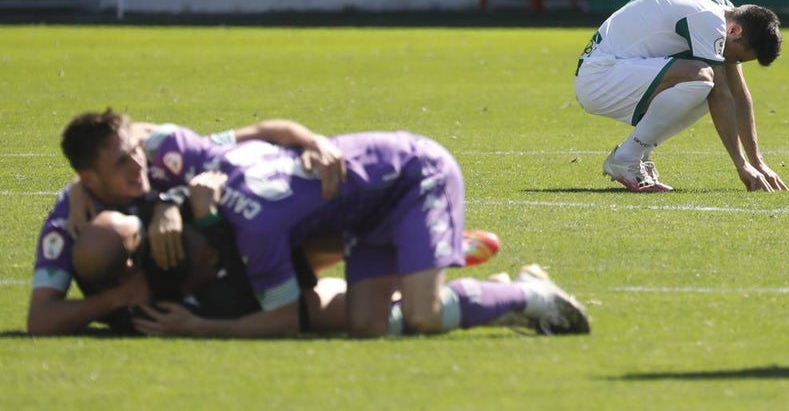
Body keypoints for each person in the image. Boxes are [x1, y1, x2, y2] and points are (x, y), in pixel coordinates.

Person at [122, 130, 591, 338]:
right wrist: (166, 203)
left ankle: (528, 295)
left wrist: (200, 327)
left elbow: (283, 323)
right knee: (367, 327)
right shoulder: (214, 173)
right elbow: (143, 137)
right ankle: (474, 287)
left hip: (413, 176)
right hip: (367, 211)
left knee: (421, 315)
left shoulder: (255, 232)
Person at [27, 110, 344, 335]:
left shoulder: (167, 155)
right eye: (122, 161)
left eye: (136, 151)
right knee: (309, 312)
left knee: (310, 238)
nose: (138, 164)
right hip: (195, 293)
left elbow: (264, 132)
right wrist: (117, 298)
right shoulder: (68, 221)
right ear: (89, 178)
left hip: (243, 248)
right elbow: (40, 319)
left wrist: (315, 142)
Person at [574, 0, 788, 193]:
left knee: (706, 85)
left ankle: (634, 156)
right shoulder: (709, 19)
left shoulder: (724, 11)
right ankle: (627, 158)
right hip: (599, 79)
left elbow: (738, 94)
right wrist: (741, 165)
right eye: (737, 56)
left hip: (617, 72)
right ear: (734, 30)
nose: (731, 61)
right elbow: (721, 93)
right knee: (703, 79)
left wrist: (757, 162)